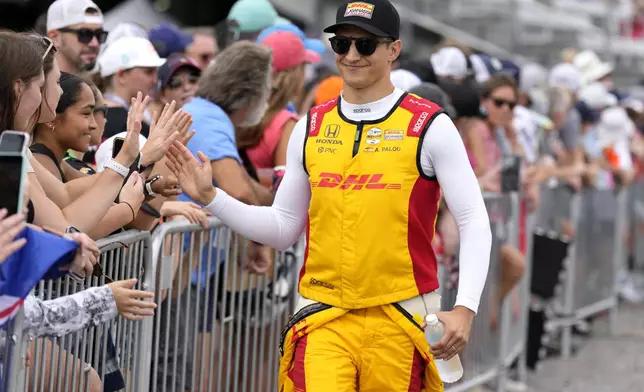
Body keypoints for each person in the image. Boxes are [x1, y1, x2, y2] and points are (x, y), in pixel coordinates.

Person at [167, 1, 492, 390]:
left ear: (394, 49)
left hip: (401, 318)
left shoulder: (429, 125)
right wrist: (211, 197)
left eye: (365, 45)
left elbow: (474, 220)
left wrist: (465, 308)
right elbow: (285, 226)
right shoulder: (312, 126)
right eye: (341, 44)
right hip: (324, 317)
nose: (351, 55)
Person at [97, 36, 166, 139]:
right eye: (148, 72)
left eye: (156, 72)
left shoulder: (90, 116)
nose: (155, 80)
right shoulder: (132, 127)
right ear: (122, 75)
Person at [46, 0, 107, 76]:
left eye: (99, 34)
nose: (95, 44)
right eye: (85, 34)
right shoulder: (37, 86)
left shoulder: (97, 85)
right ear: (55, 37)